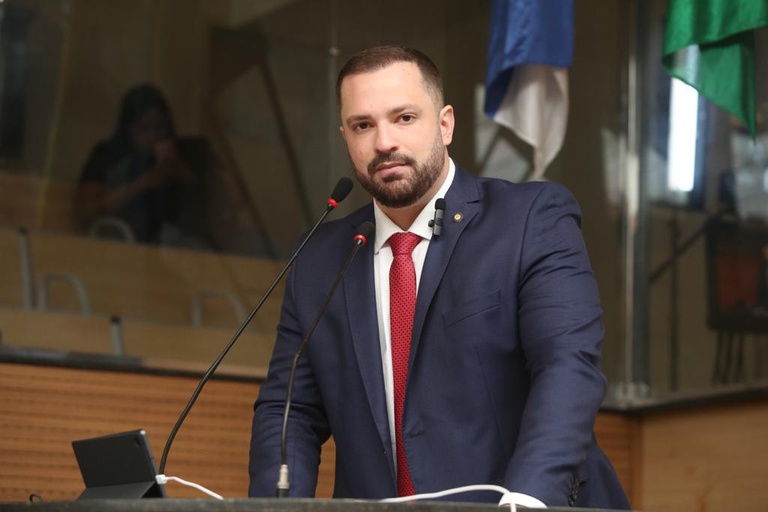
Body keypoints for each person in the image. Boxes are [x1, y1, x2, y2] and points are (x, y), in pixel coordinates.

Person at [249, 45, 630, 509]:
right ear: (346, 137)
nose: (384, 142)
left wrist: (526, 499)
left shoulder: (530, 219)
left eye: (404, 118)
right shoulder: (319, 259)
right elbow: (289, 411)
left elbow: (567, 366)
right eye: (363, 125)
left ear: (445, 124)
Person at [75, 83, 202, 245]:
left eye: (159, 127)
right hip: (118, 242)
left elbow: (204, 213)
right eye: (144, 128)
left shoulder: (180, 155)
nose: (153, 135)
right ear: (128, 128)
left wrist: (176, 167)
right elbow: (85, 213)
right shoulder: (107, 155)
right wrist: (141, 184)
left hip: (170, 247)